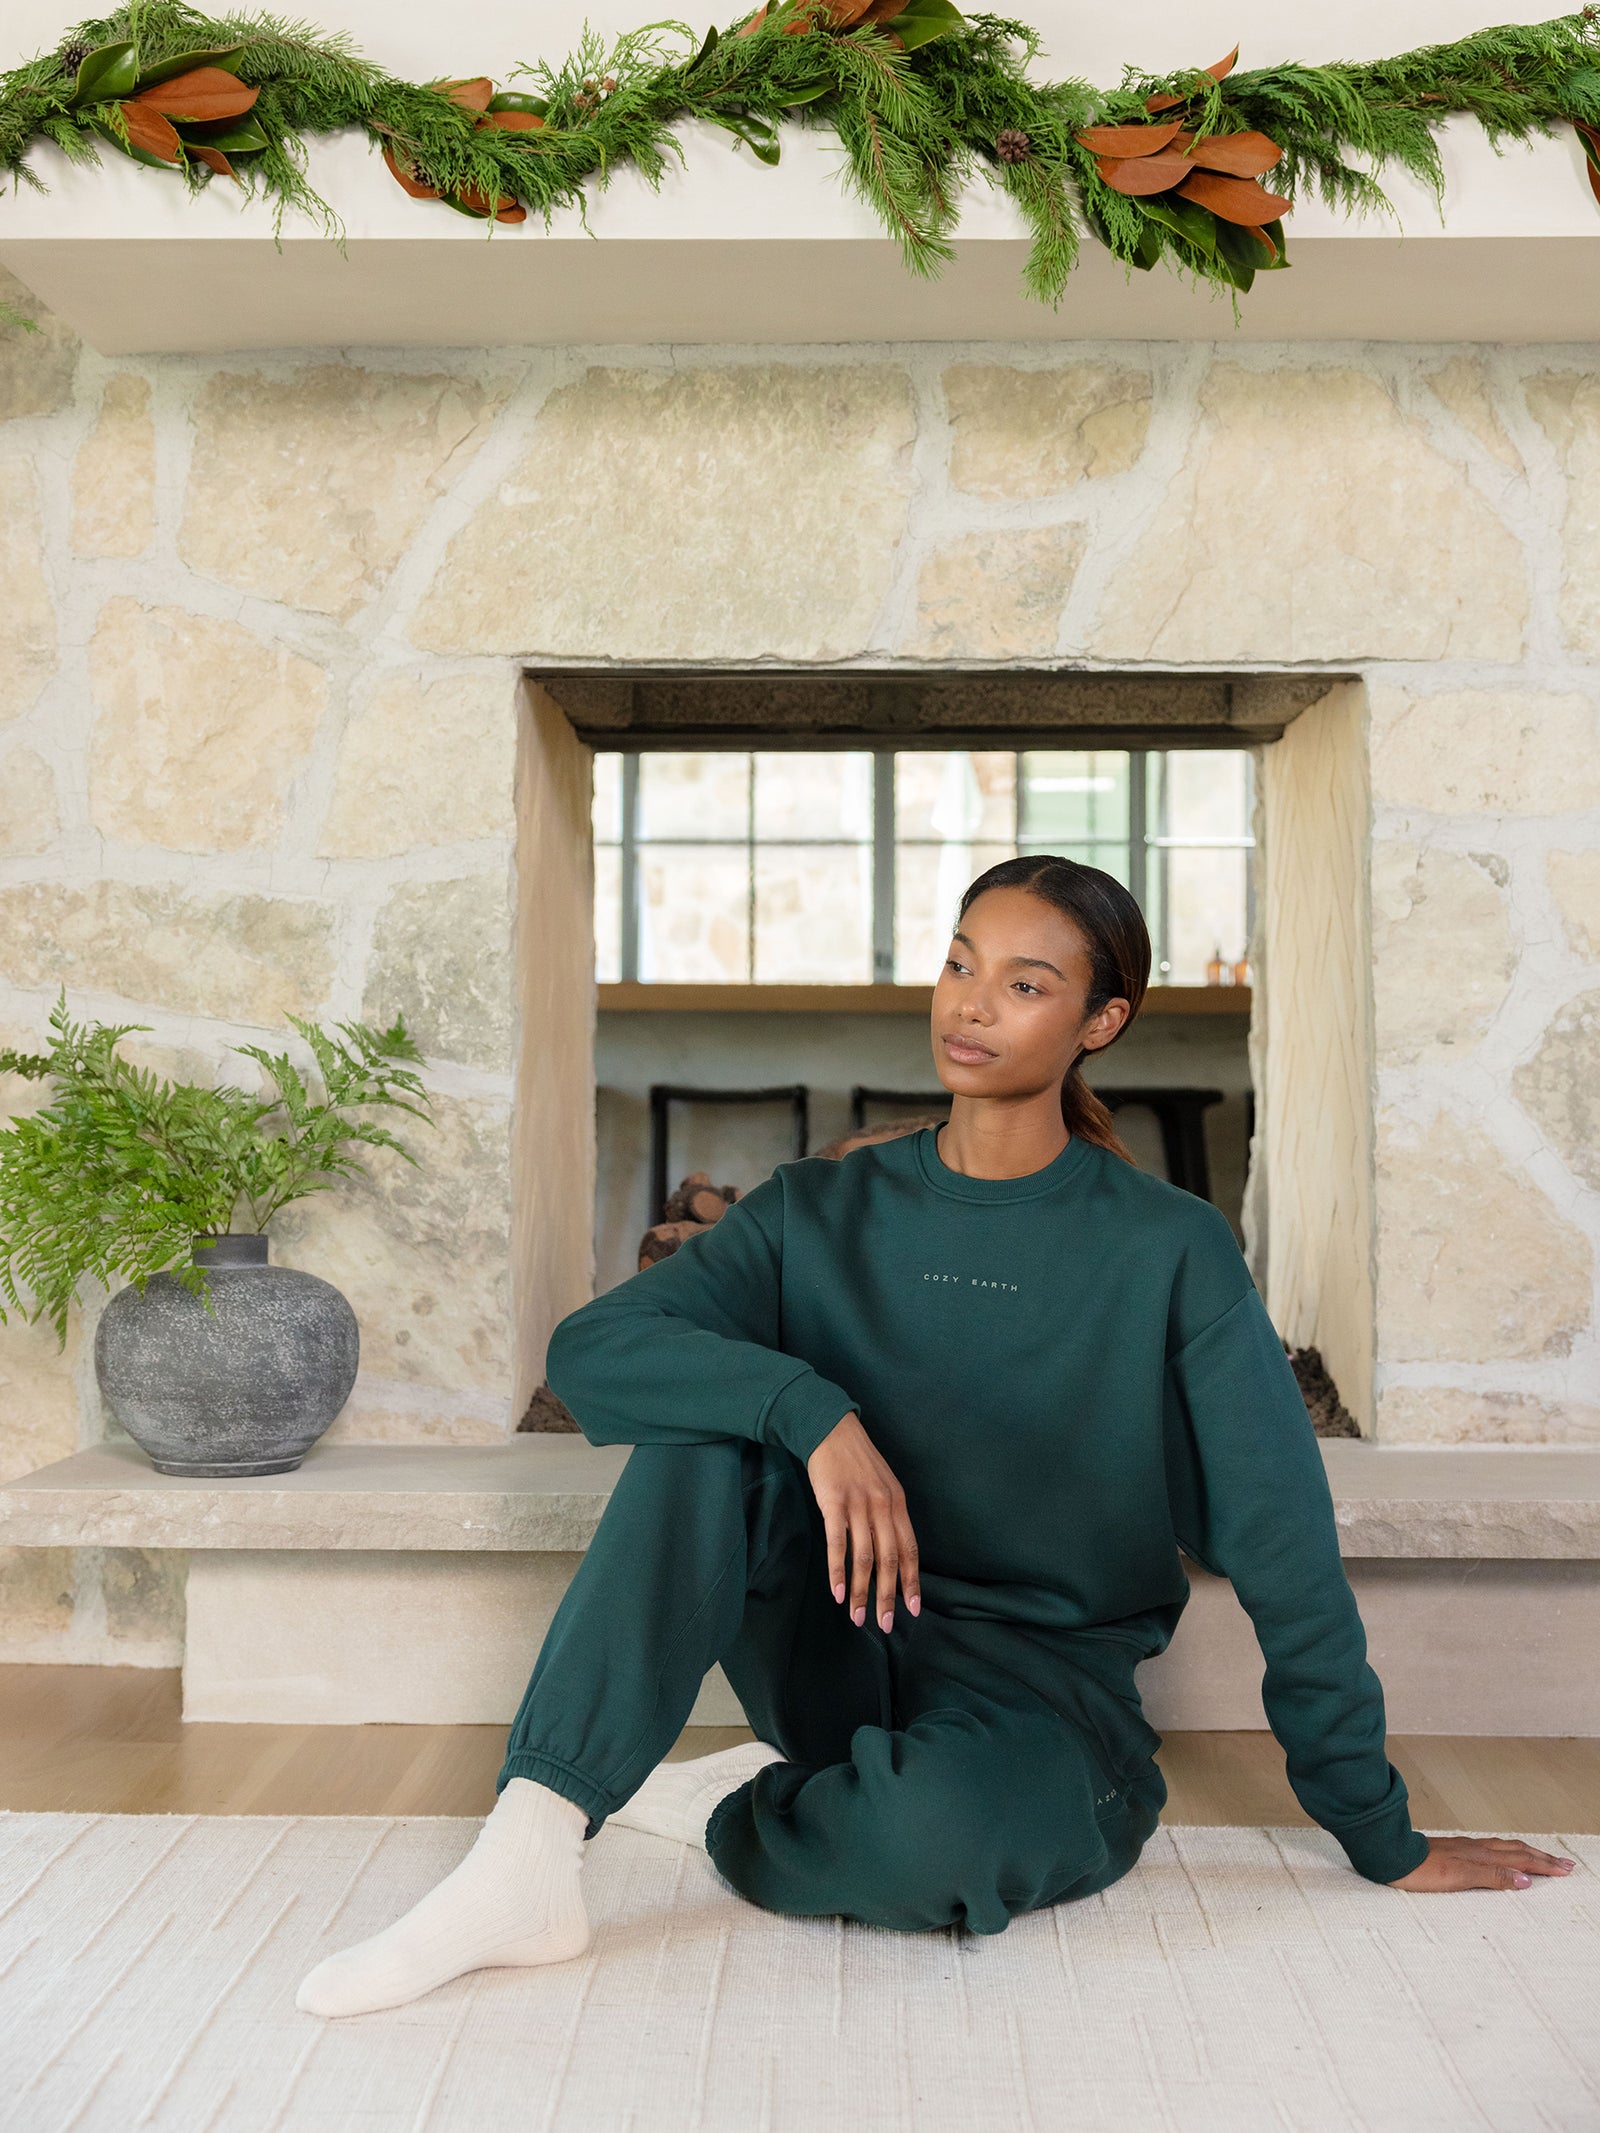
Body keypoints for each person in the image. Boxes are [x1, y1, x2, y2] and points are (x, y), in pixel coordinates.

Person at [297, 854, 1573, 2018]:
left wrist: (1378, 1830)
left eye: (1023, 984)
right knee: (708, 1428)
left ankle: (737, 1802)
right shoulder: (819, 1208)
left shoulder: (1165, 1249)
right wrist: (812, 1410)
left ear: (1098, 1024)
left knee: (930, 1852)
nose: (970, 1003)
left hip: (1038, 1702)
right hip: (832, 1646)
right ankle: (528, 1853)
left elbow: (1284, 1543)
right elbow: (591, 1354)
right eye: (960, 961)